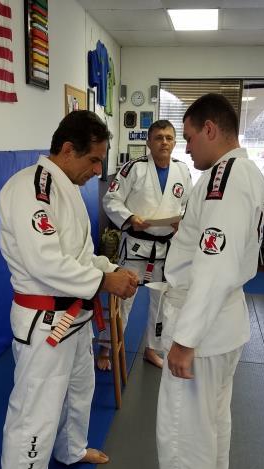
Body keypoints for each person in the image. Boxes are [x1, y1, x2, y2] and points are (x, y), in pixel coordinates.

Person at [0, 111, 139, 469]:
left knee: (80, 390)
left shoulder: (68, 187)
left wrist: (109, 268)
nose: (97, 171)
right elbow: (45, 263)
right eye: (93, 160)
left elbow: (78, 255)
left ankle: (71, 450)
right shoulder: (31, 189)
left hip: (75, 316)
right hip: (45, 321)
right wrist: (104, 281)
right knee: (34, 416)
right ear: (68, 149)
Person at [139, 94, 264, 469]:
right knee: (213, 419)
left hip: (204, 328)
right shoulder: (245, 173)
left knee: (183, 427)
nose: (186, 147)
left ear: (210, 129)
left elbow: (214, 266)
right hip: (224, 324)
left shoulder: (224, 180)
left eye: (190, 137)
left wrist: (185, 340)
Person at [102, 120, 192, 369]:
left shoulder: (182, 170)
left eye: (169, 138)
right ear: (149, 142)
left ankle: (152, 349)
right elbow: (111, 199)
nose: (164, 142)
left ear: (175, 142)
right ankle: (107, 347)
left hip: (166, 247)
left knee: (162, 302)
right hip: (136, 245)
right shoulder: (134, 168)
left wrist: (182, 222)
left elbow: (188, 204)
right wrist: (130, 218)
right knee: (123, 297)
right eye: (159, 137)